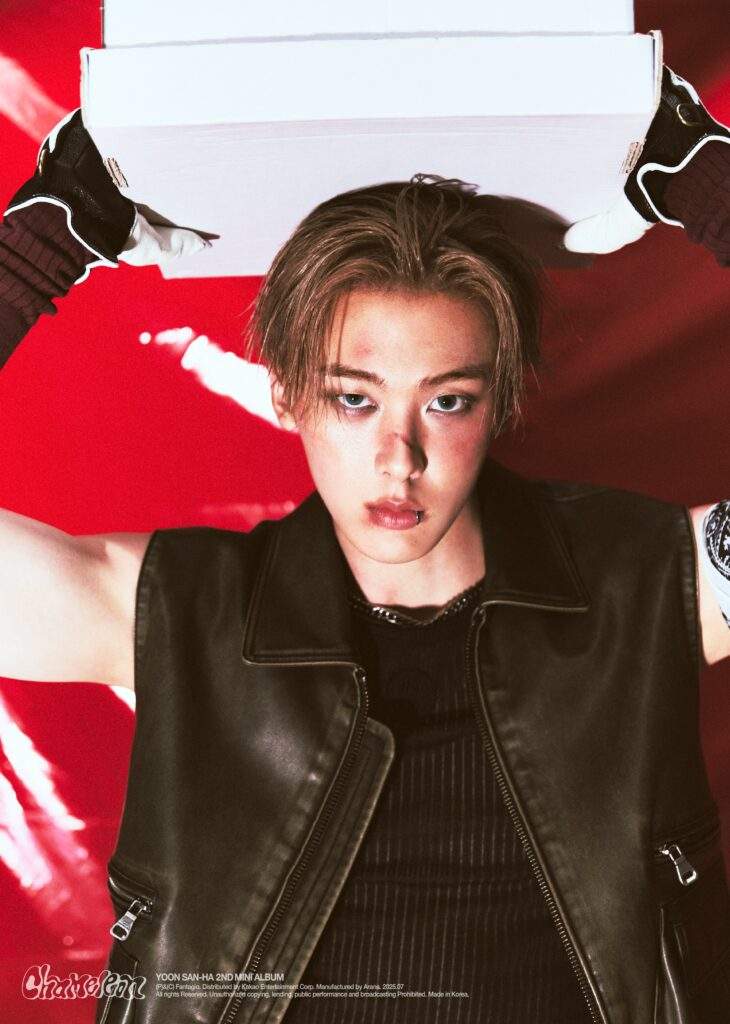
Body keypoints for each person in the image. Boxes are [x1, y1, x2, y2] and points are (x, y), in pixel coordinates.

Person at [1, 64, 729, 1024]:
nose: (400, 456)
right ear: (287, 395)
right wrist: (51, 231)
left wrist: (703, 175)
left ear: (501, 403)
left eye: (448, 400)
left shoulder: (651, 591)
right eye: (354, 398)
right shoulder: (177, 615)